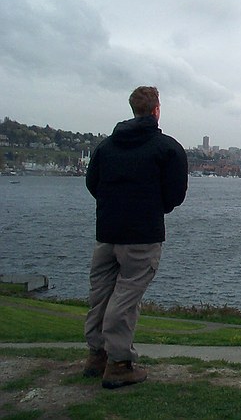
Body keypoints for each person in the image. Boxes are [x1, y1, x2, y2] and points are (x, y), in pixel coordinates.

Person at [83, 86, 188, 389]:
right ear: (157, 110)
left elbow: (94, 184)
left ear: (133, 110)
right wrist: (153, 208)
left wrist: (115, 206)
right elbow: (175, 195)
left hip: (107, 233)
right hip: (141, 237)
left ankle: (96, 355)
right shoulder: (167, 149)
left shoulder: (105, 147)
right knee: (125, 299)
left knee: (100, 295)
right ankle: (119, 363)